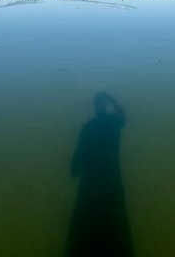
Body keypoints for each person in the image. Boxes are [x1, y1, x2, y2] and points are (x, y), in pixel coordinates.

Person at [65, 93, 133, 257]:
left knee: (96, 214)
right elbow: (80, 150)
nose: (100, 106)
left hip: (100, 179)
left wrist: (75, 166)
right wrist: (75, 165)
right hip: (101, 178)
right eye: (99, 104)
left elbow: (123, 118)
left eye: (101, 103)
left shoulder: (103, 123)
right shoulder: (103, 124)